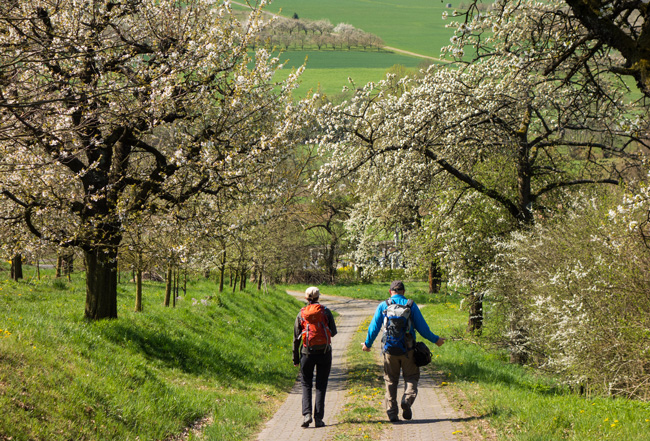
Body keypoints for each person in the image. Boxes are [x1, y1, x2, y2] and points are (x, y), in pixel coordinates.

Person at [362, 280, 445, 422]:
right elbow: (423, 328)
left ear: (390, 292)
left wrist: (367, 344)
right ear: (404, 292)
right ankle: (407, 400)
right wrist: (436, 340)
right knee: (411, 377)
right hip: (409, 350)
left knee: (390, 380)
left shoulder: (384, 305)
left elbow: (374, 328)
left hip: (389, 350)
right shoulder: (411, 305)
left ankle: (392, 413)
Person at [293, 286, 337, 428]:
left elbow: (296, 338)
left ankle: (307, 415)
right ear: (318, 297)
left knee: (306, 384)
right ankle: (318, 418)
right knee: (321, 385)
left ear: (306, 298)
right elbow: (334, 332)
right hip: (324, 352)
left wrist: (295, 358)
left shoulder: (301, 314)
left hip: (307, 353)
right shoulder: (326, 311)